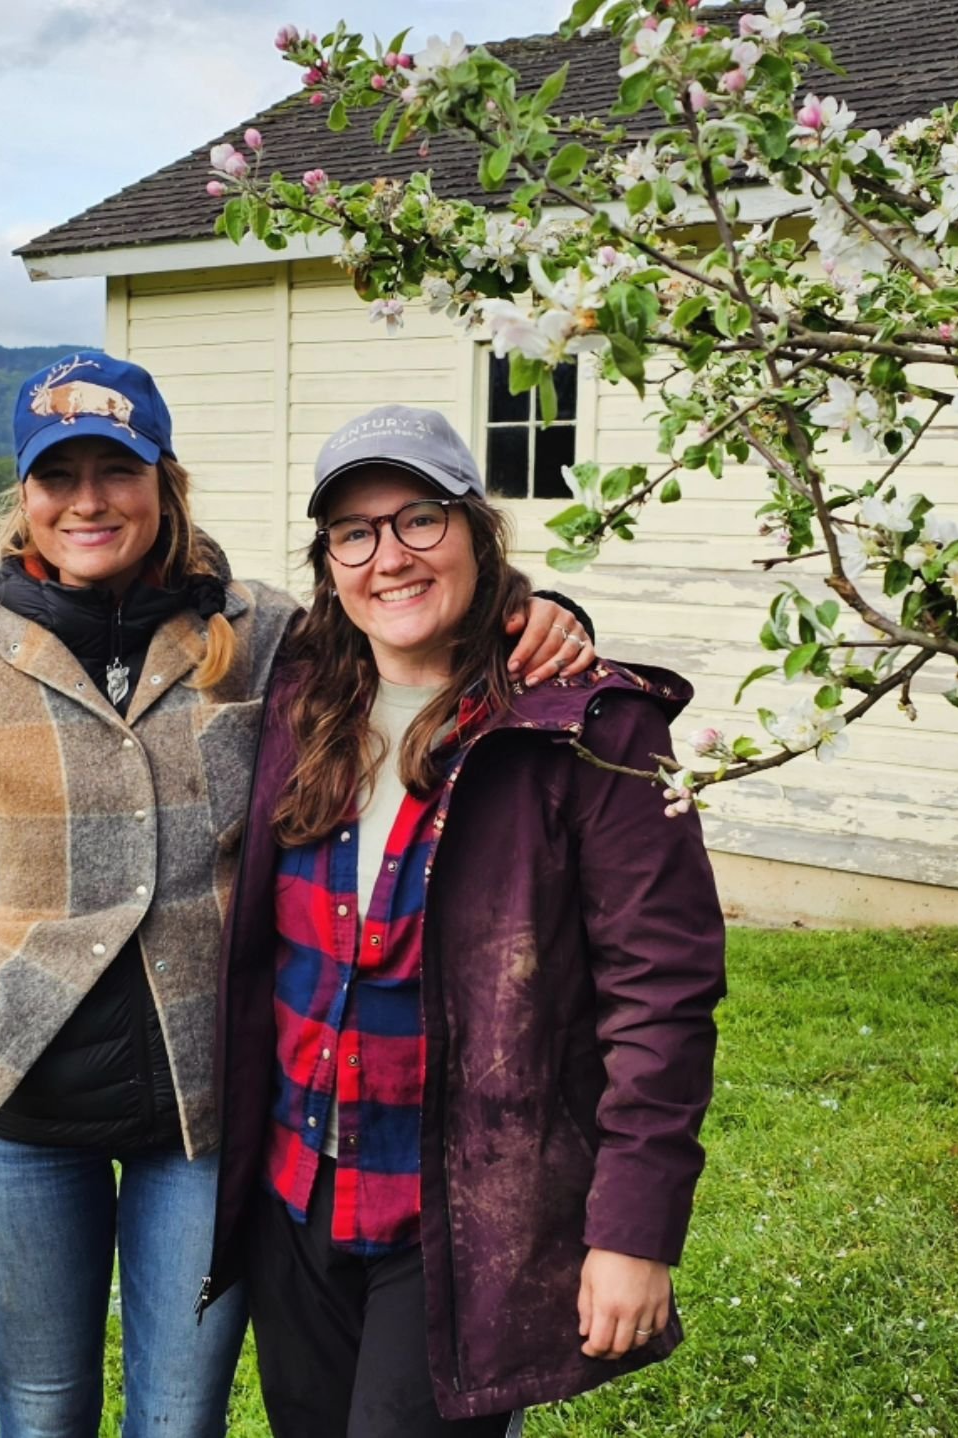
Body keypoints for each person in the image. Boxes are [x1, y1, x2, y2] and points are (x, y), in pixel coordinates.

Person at [0, 357, 595, 1438]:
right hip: (16, 1118)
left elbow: (410, 613)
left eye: (117, 469)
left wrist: (537, 609)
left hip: (209, 1115)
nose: (89, 499)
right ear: (25, 499)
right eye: (60, 476)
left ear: (164, 481)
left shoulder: (271, 637)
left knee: (179, 1415)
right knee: (42, 1410)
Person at [200, 405, 726, 1438]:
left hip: (456, 1210)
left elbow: (663, 994)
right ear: (328, 562)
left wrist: (635, 1231)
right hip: (297, 1196)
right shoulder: (300, 700)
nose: (388, 557)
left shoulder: (590, 729)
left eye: (419, 520)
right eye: (354, 532)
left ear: (479, 532)